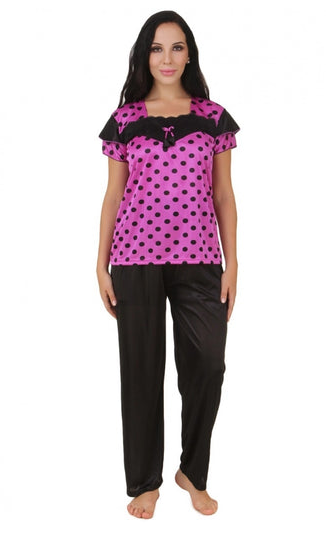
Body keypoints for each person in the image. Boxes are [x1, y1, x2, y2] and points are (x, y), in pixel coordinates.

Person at [96, 10, 239, 519]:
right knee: (141, 370)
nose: (167, 58)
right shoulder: (125, 121)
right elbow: (113, 196)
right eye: (157, 48)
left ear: (189, 55)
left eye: (177, 47)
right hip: (133, 258)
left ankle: (192, 473)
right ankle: (145, 483)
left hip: (200, 258)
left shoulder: (213, 118)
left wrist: (233, 263)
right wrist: (100, 264)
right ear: (144, 55)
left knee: (209, 363)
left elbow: (223, 194)